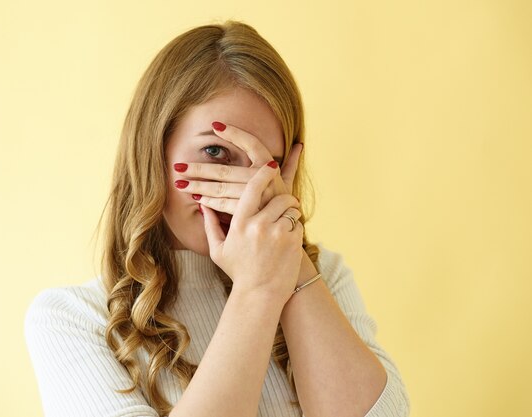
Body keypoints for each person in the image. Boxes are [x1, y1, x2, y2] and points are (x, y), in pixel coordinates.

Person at [24, 20, 410, 417]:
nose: (245, 192)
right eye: (215, 153)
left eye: (268, 166)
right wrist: (257, 290)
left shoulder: (321, 276)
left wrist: (288, 267)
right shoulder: (72, 319)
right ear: (153, 147)